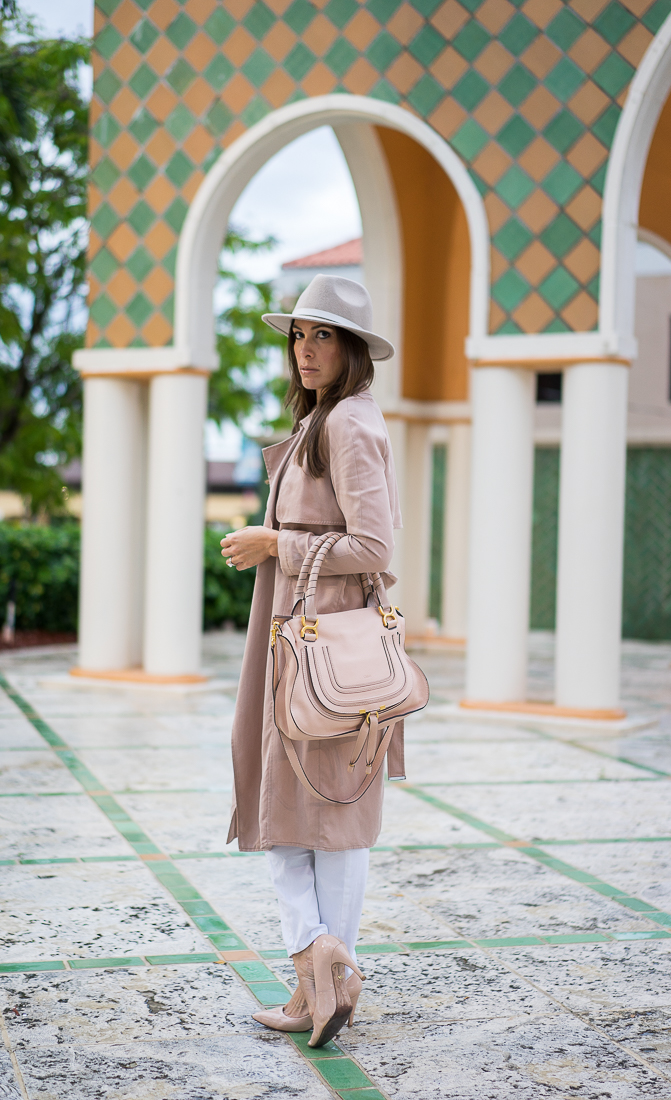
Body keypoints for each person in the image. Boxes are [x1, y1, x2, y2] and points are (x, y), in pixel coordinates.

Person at [221, 274, 403, 1047]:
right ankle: (319, 975)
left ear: (352, 348)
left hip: (324, 645)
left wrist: (275, 543)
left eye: (322, 334)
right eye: (297, 334)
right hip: (299, 631)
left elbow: (375, 549)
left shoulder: (350, 427)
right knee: (294, 807)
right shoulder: (327, 419)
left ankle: (323, 961)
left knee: (329, 808)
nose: (304, 349)